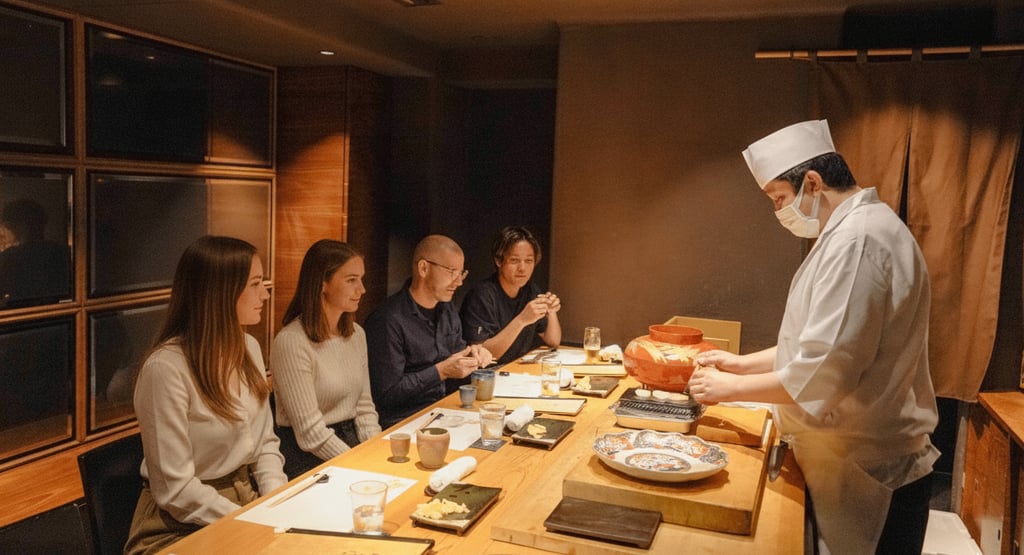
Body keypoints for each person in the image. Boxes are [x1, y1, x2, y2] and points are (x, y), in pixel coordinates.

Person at [688, 120, 939, 555]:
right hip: (846, 459)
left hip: (868, 469)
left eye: (779, 198)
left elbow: (827, 371)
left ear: (813, 182)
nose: (778, 211)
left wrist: (730, 390)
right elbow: (811, 344)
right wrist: (740, 364)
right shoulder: (852, 232)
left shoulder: (859, 241)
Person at [125, 236, 286, 554]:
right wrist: (251, 523)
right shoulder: (166, 369)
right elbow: (176, 491)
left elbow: (265, 445)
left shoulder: (249, 348)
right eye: (255, 284)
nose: (265, 294)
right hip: (175, 526)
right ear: (220, 293)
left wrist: (275, 505)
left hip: (245, 503)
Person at [270, 239, 381, 479]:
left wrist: (375, 451)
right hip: (308, 456)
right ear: (323, 284)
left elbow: (364, 408)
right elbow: (310, 434)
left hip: (350, 441)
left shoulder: (356, 334)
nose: (362, 289)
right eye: (351, 280)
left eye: (361, 279)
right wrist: (358, 464)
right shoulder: (292, 341)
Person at [364, 234, 493, 428]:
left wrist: (474, 355)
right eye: (452, 272)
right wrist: (441, 371)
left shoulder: (447, 310)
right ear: (423, 268)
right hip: (403, 422)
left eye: (461, 273)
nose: (458, 282)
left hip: (443, 411)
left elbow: (456, 361)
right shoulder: (387, 319)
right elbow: (386, 395)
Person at [460, 226, 562, 364]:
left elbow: (553, 341)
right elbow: (482, 355)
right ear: (499, 261)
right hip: (486, 376)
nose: (522, 268)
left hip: (515, 371)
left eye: (528, 261)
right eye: (514, 260)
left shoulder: (531, 290)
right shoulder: (482, 295)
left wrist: (551, 312)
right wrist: (522, 320)